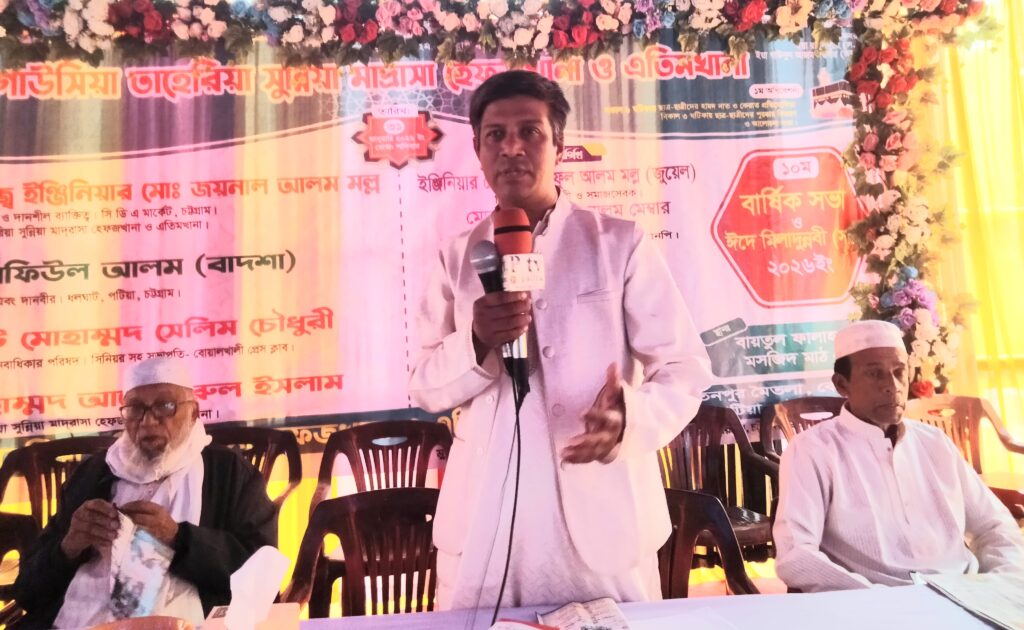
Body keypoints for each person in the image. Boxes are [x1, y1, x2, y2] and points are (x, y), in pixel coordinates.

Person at [408, 70, 713, 610]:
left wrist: (629, 419)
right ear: (477, 150)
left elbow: (684, 369)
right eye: (495, 135)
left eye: (530, 131)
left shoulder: (618, 243)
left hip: (602, 510)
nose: (512, 148)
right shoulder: (456, 257)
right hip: (487, 518)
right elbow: (425, 386)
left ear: (560, 145)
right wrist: (476, 340)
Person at [14, 357, 277, 628]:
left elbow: (263, 576)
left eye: (166, 406)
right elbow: (27, 590)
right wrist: (69, 546)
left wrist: (178, 537)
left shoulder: (228, 472)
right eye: (135, 408)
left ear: (194, 412)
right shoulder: (93, 474)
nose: (148, 421)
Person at [773, 320, 1024, 592]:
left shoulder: (935, 442)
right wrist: (878, 599)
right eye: (874, 374)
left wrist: (1004, 581)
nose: (892, 386)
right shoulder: (811, 450)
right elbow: (795, 554)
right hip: (874, 601)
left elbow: (994, 526)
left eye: (899, 372)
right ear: (842, 385)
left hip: (965, 592)